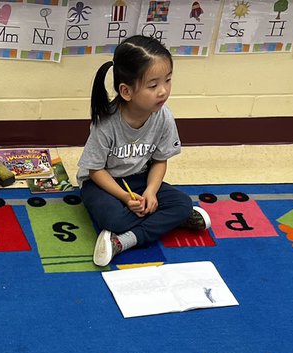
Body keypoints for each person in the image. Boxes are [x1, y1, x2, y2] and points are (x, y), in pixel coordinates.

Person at [78, 35, 210, 268]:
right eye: (153, 85)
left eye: (168, 80)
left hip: (139, 179)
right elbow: (95, 169)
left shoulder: (164, 117)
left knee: (182, 203)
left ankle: (126, 240)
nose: (163, 91)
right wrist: (125, 198)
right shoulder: (107, 122)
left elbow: (160, 161)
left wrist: (150, 191)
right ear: (126, 91)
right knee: (115, 218)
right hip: (102, 184)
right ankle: (168, 221)